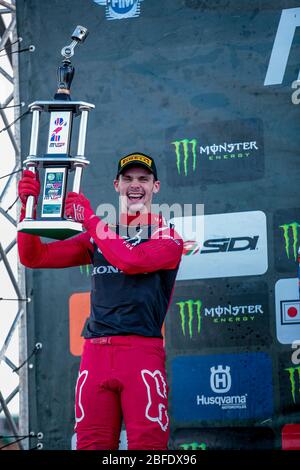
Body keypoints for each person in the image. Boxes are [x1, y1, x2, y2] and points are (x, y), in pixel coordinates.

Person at [17, 153, 183, 450]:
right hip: (95, 356)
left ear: (155, 187)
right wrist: (26, 211)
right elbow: (34, 256)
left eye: (143, 179)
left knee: (148, 447)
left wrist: (91, 220)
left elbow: (132, 261)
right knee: (91, 445)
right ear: (116, 185)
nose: (135, 185)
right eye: (128, 179)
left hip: (141, 354)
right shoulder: (99, 236)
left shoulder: (167, 236)